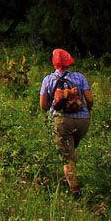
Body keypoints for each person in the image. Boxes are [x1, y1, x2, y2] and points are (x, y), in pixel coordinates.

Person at [39, 48, 93, 198]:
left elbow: (43, 105)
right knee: (72, 148)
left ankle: (76, 193)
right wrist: (88, 111)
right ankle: (73, 171)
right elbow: (89, 99)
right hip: (83, 120)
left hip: (61, 120)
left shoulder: (48, 79)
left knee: (67, 157)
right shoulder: (80, 77)